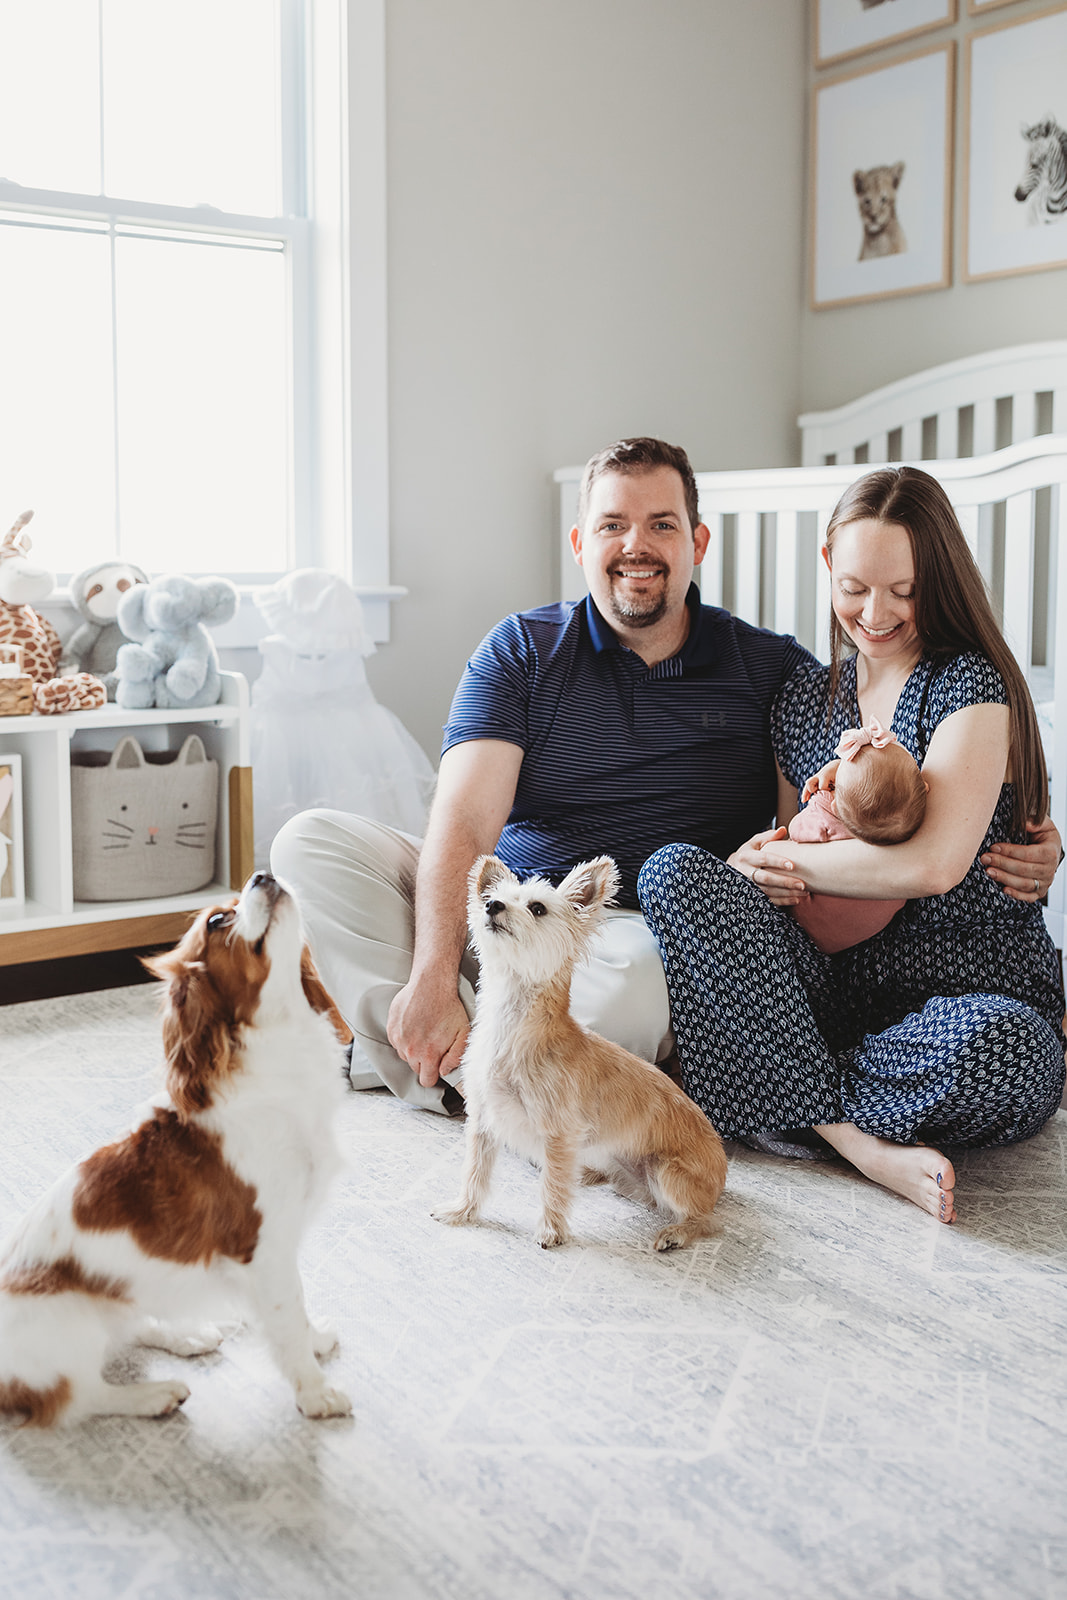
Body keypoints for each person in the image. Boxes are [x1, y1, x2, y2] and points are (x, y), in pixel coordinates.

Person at [271, 443, 1062, 1120]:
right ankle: (461, 1052)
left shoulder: (776, 670)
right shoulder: (528, 651)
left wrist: (1025, 840)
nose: (636, 546)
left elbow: (896, 837)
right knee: (307, 843)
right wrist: (433, 970)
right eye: (613, 525)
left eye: (660, 525)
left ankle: (434, 1064)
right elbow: (464, 825)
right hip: (518, 901)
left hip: (624, 934)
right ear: (582, 540)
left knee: (635, 988)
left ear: (697, 543)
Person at [638, 465, 1067, 1224]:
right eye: (855, 586)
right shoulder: (804, 698)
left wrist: (784, 862)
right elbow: (792, 862)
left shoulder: (968, 684)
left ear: (938, 580)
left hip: (965, 999)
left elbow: (932, 866)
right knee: (672, 873)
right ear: (828, 563)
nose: (875, 613)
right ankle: (857, 1142)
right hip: (833, 995)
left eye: (903, 590)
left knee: (1010, 1051)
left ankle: (761, 1087)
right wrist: (757, 865)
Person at [787, 717, 927, 953]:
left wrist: (821, 796)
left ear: (835, 806)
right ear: (924, 786)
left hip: (803, 930)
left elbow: (794, 830)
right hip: (852, 937)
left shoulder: (826, 817)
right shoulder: (908, 830)